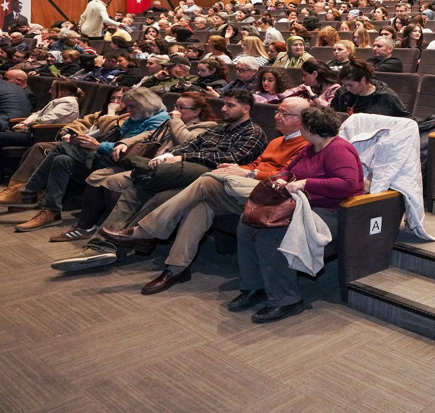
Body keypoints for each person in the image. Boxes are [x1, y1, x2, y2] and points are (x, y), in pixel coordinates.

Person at [92, 98, 311, 294]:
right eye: (277, 111)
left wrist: (248, 173)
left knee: (207, 180)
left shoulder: (305, 144)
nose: (276, 116)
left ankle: (146, 231)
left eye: (284, 113)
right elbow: (256, 163)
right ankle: (176, 269)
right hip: (247, 187)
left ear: (301, 119)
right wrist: (236, 168)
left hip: (269, 195)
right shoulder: (277, 141)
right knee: (201, 206)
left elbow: (287, 176)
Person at [51, 89, 266, 268]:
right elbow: (189, 144)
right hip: (183, 170)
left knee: (149, 183)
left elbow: (231, 158)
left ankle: (111, 244)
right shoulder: (220, 129)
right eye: (224, 104)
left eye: (230, 105)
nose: (224, 109)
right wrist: (170, 155)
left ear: (245, 108)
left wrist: (182, 156)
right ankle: (105, 246)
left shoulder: (253, 132)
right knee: (138, 186)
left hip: (212, 176)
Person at [230, 106, 364, 323]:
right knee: (247, 224)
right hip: (302, 206)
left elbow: (347, 185)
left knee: (272, 235)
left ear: (310, 129)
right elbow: (289, 171)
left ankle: (287, 300)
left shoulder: (339, 149)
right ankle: (254, 286)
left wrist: (306, 183)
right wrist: (282, 179)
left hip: (332, 212)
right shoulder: (311, 148)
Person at [47, 91, 218, 243]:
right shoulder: (172, 122)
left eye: (181, 107)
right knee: (96, 176)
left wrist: (175, 120)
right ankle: (86, 227)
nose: (176, 110)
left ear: (196, 111)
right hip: (147, 163)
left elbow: (187, 140)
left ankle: (118, 233)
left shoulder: (207, 127)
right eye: (176, 106)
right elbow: (148, 134)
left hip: (169, 171)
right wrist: (124, 143)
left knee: (114, 182)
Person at [10, 88, 169, 232]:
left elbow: (132, 149)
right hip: (110, 156)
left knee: (62, 148)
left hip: (125, 163)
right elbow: (113, 136)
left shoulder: (158, 121)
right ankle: (51, 211)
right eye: (127, 106)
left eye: (131, 106)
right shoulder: (136, 117)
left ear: (145, 104)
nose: (128, 110)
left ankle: (28, 191)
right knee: (61, 159)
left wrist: (98, 145)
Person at [0, 79, 83, 189]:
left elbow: (47, 119)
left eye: (52, 89)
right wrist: (26, 122)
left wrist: (28, 124)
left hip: (43, 134)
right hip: (35, 131)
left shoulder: (68, 103)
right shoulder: (59, 101)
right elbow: (37, 114)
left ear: (64, 91)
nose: (49, 91)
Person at [330, 58, 411, 117]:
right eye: (345, 85)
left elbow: (406, 118)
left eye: (350, 85)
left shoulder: (386, 96)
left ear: (363, 80)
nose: (347, 89)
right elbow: (332, 115)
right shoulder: (342, 93)